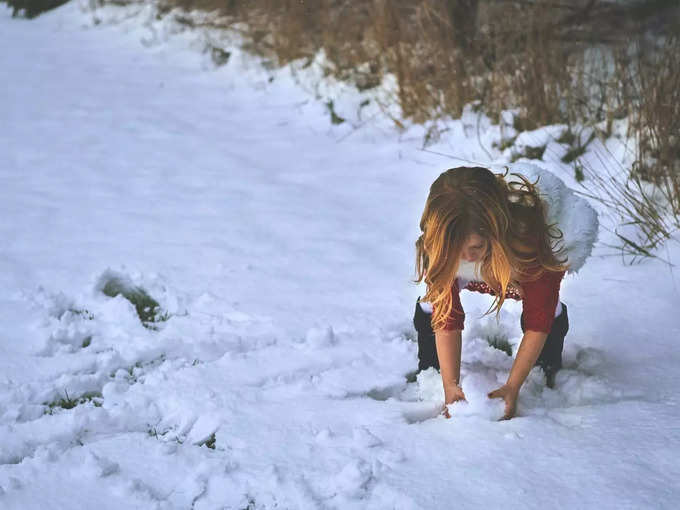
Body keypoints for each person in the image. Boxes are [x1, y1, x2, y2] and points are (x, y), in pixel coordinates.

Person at [412, 165, 596, 420]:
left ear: (493, 231)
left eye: (474, 246)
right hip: (489, 257)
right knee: (431, 307)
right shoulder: (445, 247)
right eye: (458, 248)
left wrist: (512, 386)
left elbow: (537, 321)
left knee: (546, 311)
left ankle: (544, 369)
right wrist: (450, 386)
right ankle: (430, 370)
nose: (466, 256)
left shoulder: (530, 247)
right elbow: (447, 319)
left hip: (519, 262)